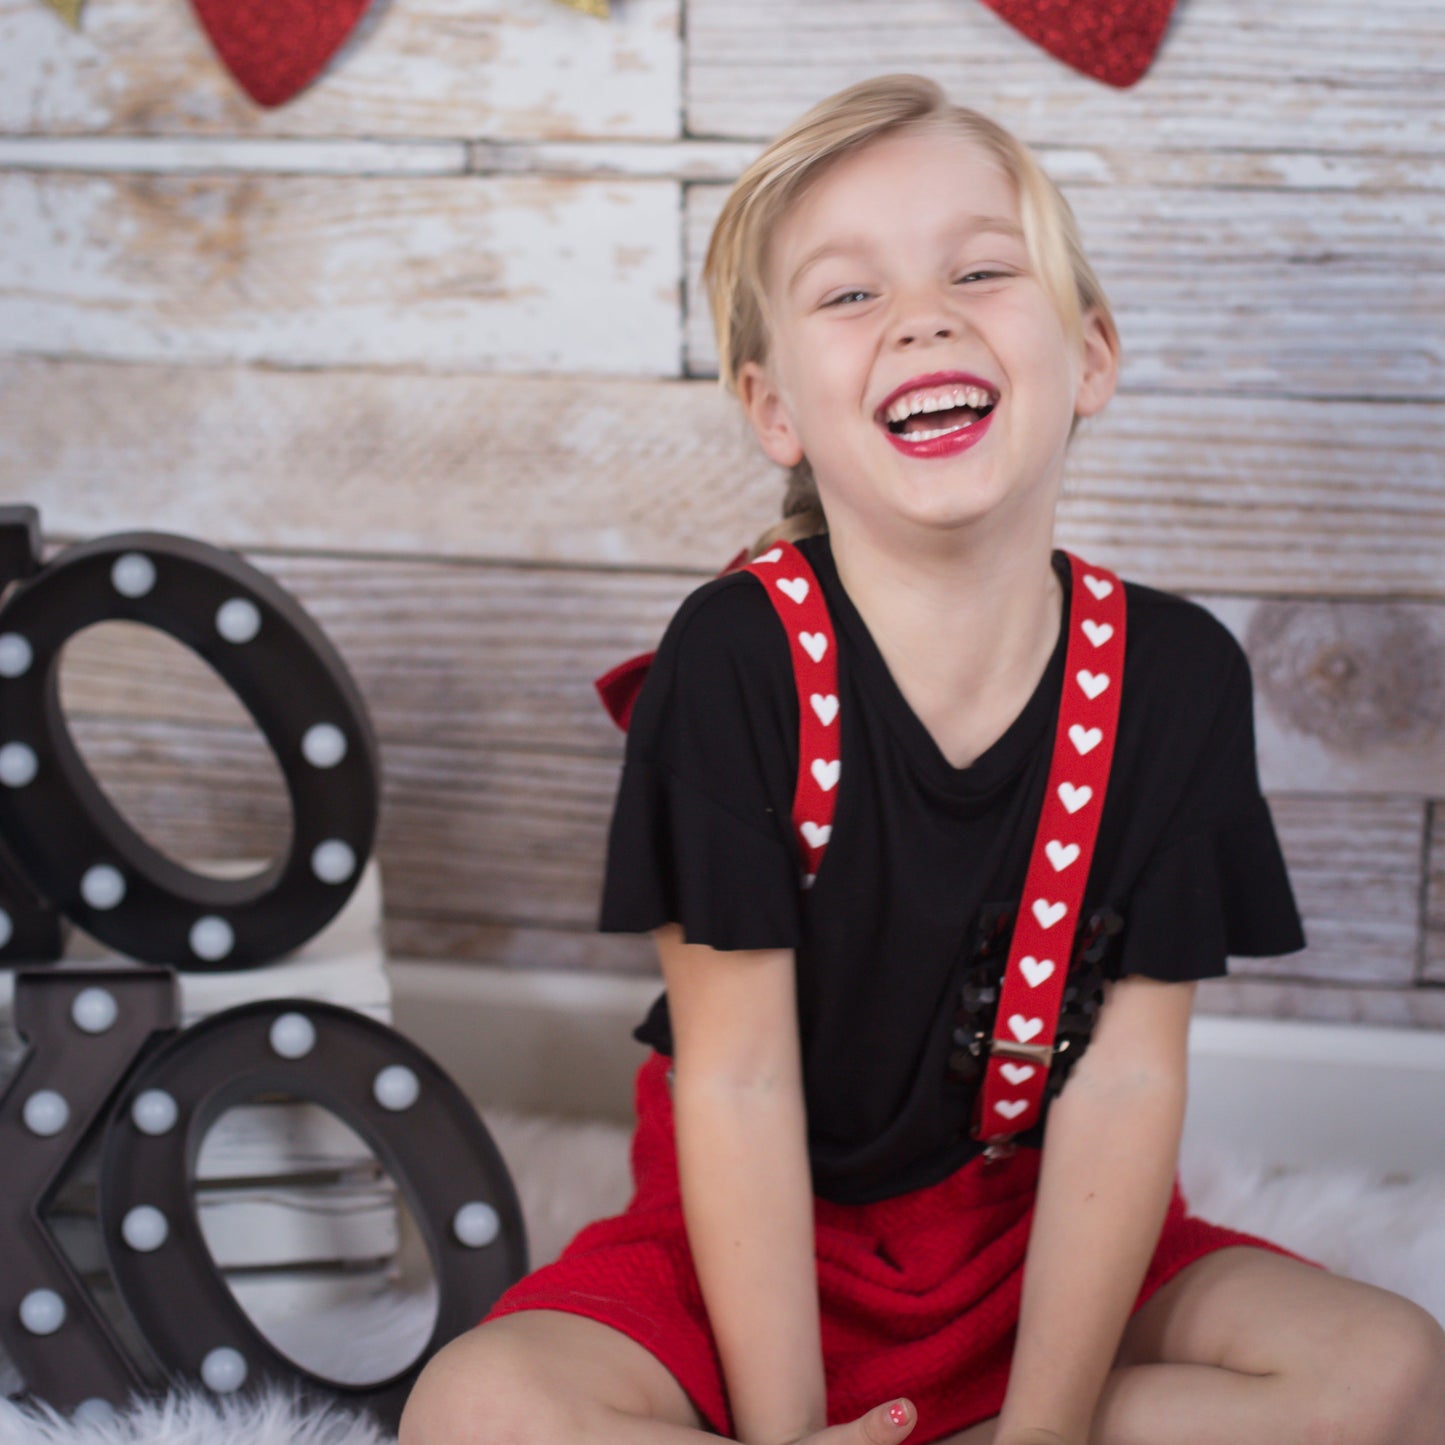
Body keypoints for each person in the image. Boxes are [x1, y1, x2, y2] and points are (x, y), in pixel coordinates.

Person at [401, 75, 1445, 1445]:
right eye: (849, 294)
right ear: (774, 408)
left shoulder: (1175, 677)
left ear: (1091, 352)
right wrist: (785, 1431)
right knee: (474, 1408)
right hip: (753, 1239)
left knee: (1392, 1368)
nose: (923, 313)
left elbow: (1127, 1081)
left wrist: (1050, 1421)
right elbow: (736, 1083)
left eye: (979, 268)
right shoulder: (734, 661)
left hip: (1037, 1239)